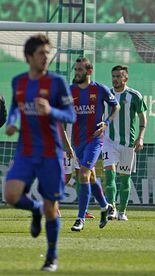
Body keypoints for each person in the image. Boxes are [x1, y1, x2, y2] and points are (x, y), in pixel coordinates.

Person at [4, 34, 76, 272]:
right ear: (29, 57)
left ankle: (51, 257)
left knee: (51, 208)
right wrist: (12, 122)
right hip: (25, 150)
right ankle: (34, 209)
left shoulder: (57, 83)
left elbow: (71, 116)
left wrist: (52, 111)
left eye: (48, 53)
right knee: (11, 195)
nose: (46, 57)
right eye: (41, 54)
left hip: (50, 153)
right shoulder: (19, 82)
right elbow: (15, 107)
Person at [70, 57, 120, 231]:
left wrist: (106, 122)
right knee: (89, 177)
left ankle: (80, 218)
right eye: (75, 70)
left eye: (80, 70)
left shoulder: (99, 89)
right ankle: (106, 206)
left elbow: (116, 106)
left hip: (95, 139)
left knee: (82, 175)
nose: (77, 73)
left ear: (89, 71)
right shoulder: (70, 91)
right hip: (77, 141)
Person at [103, 65, 147, 221]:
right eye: (113, 76)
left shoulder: (134, 96)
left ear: (125, 78)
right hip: (109, 141)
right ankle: (111, 208)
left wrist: (140, 137)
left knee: (124, 178)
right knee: (109, 175)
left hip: (128, 143)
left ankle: (122, 211)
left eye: (118, 76)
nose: (115, 79)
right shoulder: (106, 94)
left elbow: (143, 119)